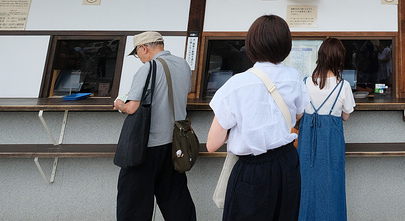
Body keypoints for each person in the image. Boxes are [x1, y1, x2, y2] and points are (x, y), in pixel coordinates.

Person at [206, 15, 309, 221]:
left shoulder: (237, 84)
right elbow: (299, 114)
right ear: (285, 45)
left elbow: (212, 144)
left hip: (252, 171)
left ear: (251, 44)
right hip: (288, 163)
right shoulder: (294, 76)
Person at [113, 31, 197, 221]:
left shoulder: (148, 68)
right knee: (175, 198)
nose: (139, 58)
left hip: (146, 146)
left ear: (144, 48)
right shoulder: (183, 65)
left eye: (137, 53)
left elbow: (132, 107)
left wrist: (119, 105)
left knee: (133, 202)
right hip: (175, 143)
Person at [298, 37, 356, 221]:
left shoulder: (306, 82)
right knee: (333, 186)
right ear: (339, 59)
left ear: (320, 56)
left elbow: (298, 115)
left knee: (305, 186)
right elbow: (346, 116)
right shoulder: (343, 86)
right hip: (332, 145)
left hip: (306, 143)